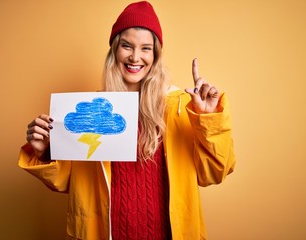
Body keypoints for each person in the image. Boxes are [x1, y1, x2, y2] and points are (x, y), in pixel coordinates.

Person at [19, 1, 236, 239]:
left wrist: (207, 118)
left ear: (156, 54)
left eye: (146, 48)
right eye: (126, 46)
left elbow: (214, 173)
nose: (135, 57)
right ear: (114, 50)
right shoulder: (90, 111)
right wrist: (46, 152)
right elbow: (67, 182)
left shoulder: (182, 107)